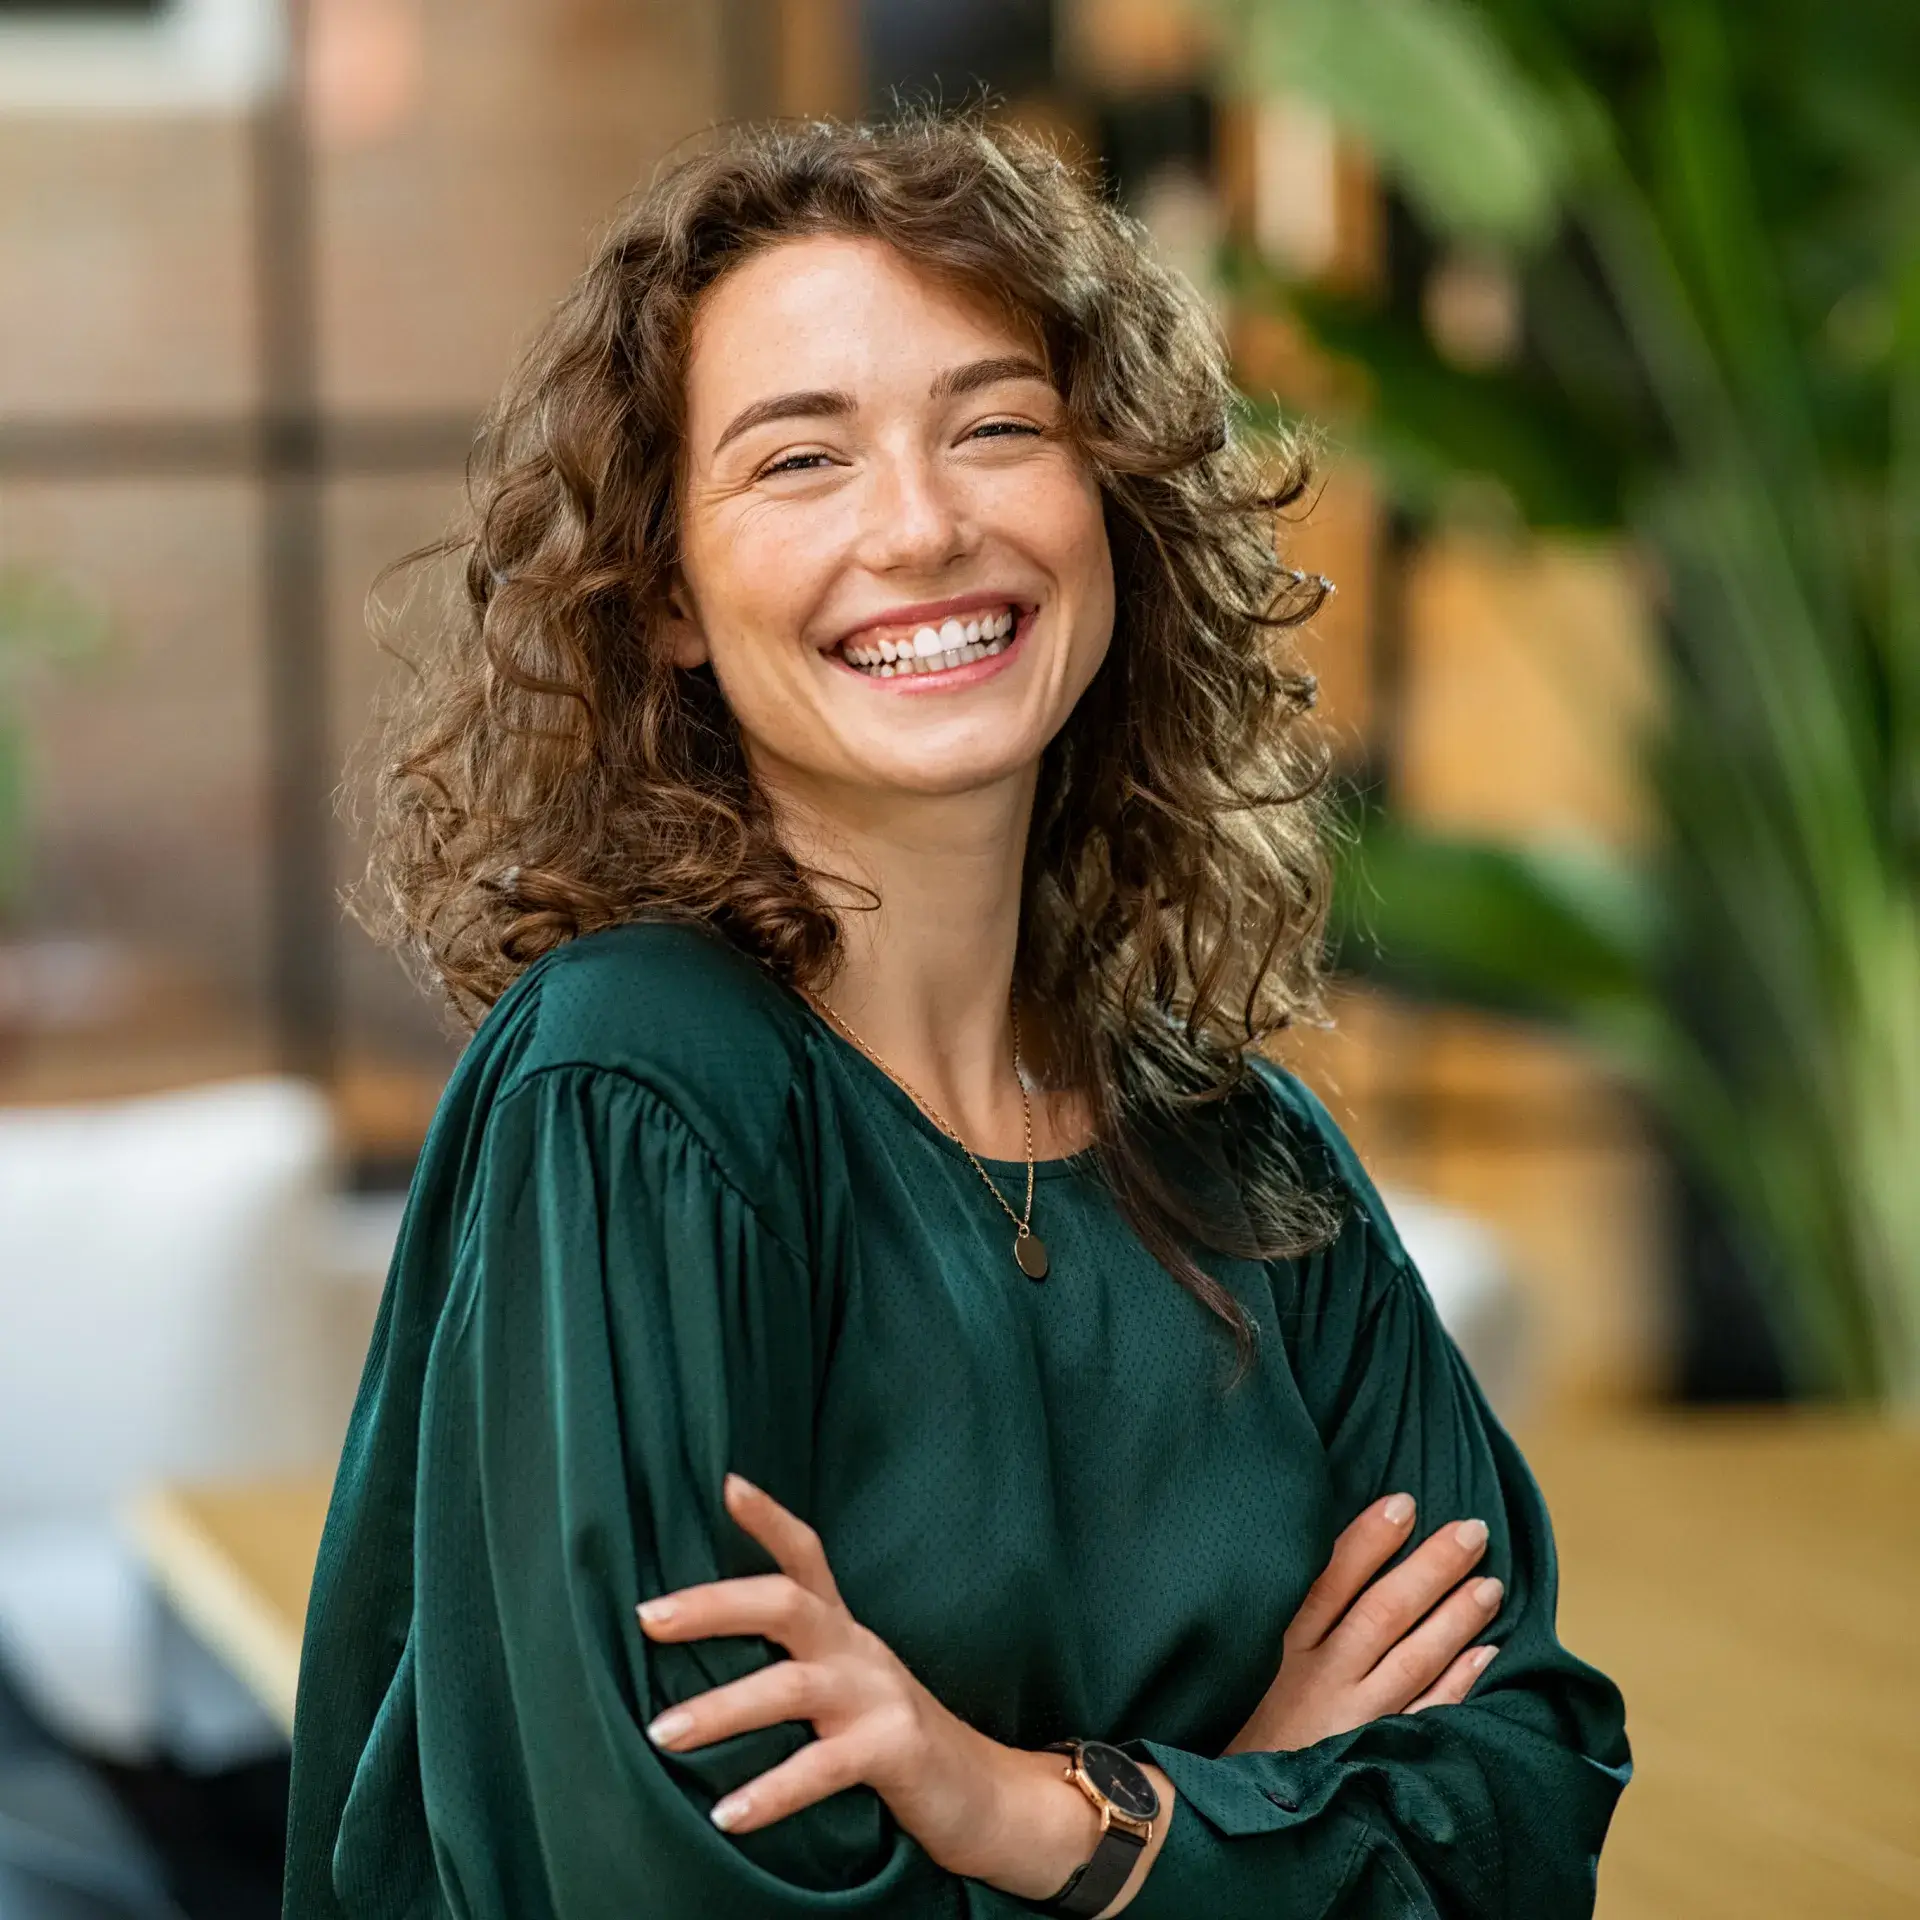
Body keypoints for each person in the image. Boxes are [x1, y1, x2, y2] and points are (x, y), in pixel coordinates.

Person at [283, 109, 1630, 1919]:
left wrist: (1044, 1814)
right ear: (667, 594)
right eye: (798, 462)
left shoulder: (1245, 1158)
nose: (921, 526)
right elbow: (665, 1889)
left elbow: (1524, 1808)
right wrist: (1248, 1808)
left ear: (1111, 507)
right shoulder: (639, 1090)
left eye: (998, 427)